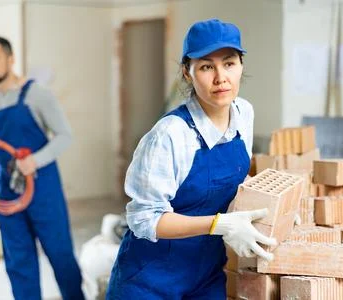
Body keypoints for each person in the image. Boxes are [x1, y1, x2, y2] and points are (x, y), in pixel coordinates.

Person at [106, 19, 277, 299]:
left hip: (204, 277)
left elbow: (234, 181)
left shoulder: (244, 114)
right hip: (149, 281)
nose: (221, 77)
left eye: (229, 63)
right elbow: (145, 219)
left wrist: (276, 211)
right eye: (207, 66)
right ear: (188, 73)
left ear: (241, 65)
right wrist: (218, 224)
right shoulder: (170, 135)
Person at [0, 36, 84, 300]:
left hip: (42, 187)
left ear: (10, 59)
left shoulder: (37, 94)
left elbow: (64, 135)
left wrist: (34, 160)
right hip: (7, 190)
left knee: (60, 253)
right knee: (18, 261)